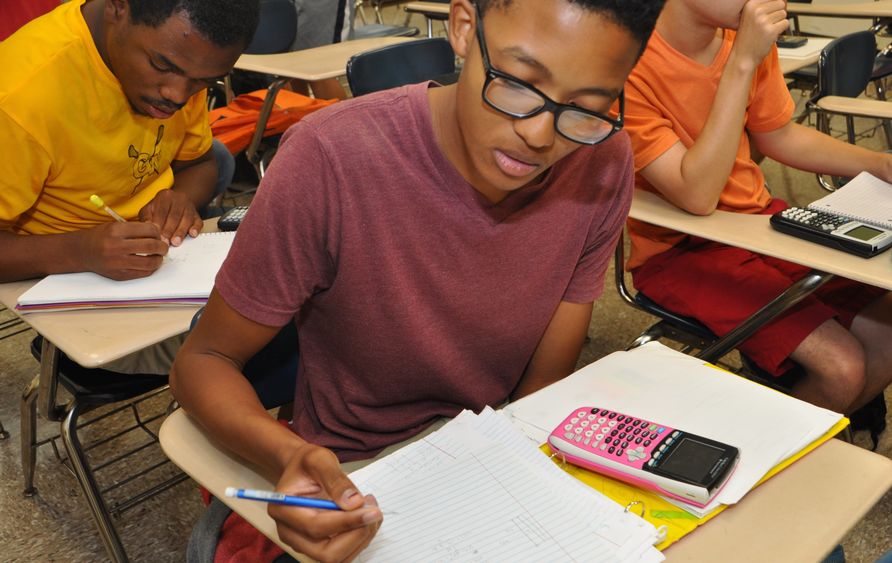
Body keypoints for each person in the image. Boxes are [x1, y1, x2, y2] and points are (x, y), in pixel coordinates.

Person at [170, 0, 666, 560]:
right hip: (355, 468)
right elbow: (202, 362)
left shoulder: (601, 160)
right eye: (519, 82)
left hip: (487, 456)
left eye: (588, 108)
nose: (540, 135)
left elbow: (539, 392)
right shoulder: (332, 157)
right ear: (461, 29)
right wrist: (288, 456)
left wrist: (521, 480)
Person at [622, 0, 892, 415]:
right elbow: (697, 195)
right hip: (679, 252)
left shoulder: (739, 36)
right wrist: (743, 61)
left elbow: (778, 135)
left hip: (759, 224)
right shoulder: (629, 59)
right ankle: (770, 460)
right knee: (843, 368)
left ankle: (827, 442)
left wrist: (877, 163)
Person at [0, 0, 259, 285]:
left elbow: (200, 162)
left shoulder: (187, 59)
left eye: (204, 83)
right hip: (54, 272)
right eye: (161, 65)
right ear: (117, 7)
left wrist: (181, 199)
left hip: (156, 257)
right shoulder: (19, 97)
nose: (177, 94)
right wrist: (79, 251)